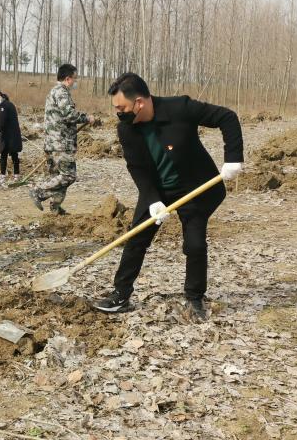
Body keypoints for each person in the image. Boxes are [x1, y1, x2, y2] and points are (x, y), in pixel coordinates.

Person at [93, 72, 244, 320]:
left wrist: (233, 157)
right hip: (156, 189)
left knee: (194, 245)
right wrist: (152, 200)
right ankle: (120, 294)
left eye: (122, 108)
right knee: (136, 239)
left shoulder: (180, 108)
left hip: (194, 187)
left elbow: (226, 117)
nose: (118, 113)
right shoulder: (126, 129)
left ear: (139, 102)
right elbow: (137, 168)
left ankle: (194, 297)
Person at [29, 63, 95, 215]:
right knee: (68, 176)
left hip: (53, 142)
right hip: (60, 143)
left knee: (57, 177)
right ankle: (38, 191)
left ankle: (55, 208)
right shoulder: (61, 92)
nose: (75, 82)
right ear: (67, 78)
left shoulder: (56, 91)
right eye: (75, 78)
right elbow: (69, 114)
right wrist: (87, 117)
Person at [0, 91, 23, 184]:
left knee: (4, 155)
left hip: (8, 136)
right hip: (13, 134)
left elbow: (2, 119)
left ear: (0, 96)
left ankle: (3, 175)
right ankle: (16, 174)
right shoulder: (10, 104)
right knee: (14, 155)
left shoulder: (3, 106)